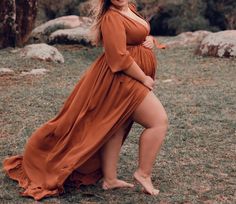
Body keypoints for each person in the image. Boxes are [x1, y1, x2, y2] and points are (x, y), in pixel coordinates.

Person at [2, 0, 168, 201]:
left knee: (118, 126)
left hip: (129, 77)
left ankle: (110, 179)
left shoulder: (129, 8)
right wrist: (143, 78)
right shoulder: (112, 17)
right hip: (123, 79)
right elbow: (118, 58)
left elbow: (133, 36)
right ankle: (143, 173)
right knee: (158, 121)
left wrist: (148, 38)